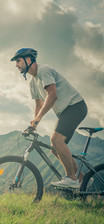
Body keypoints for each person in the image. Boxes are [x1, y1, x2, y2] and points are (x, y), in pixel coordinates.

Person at [11, 48, 87, 189]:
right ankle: (81, 179)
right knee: (55, 148)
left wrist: (38, 119)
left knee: (56, 140)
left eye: (18, 61)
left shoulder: (43, 70)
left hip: (75, 107)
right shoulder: (33, 82)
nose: (16, 65)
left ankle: (71, 179)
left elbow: (52, 95)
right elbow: (39, 104)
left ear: (28, 60)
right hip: (65, 112)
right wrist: (34, 124)